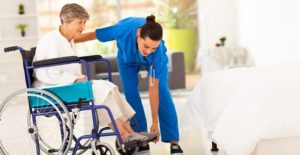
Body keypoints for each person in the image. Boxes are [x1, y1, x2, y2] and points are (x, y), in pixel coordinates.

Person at [32, 3, 157, 146]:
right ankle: (123, 135)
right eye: (80, 22)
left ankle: (132, 133)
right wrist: (74, 79)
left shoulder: (69, 41)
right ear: (66, 21)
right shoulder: (49, 40)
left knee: (108, 86)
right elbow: (42, 72)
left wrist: (76, 79)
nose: (83, 27)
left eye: (84, 22)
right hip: (53, 89)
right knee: (98, 90)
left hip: (69, 86)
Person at [75, 15, 184, 154]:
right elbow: (94, 35)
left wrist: (155, 123)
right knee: (131, 93)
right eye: (146, 46)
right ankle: (140, 137)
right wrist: (70, 39)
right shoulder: (123, 29)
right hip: (127, 60)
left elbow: (153, 89)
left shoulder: (157, 54)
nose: (148, 51)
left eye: (153, 48)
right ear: (139, 36)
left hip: (153, 62)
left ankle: (173, 142)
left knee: (162, 91)